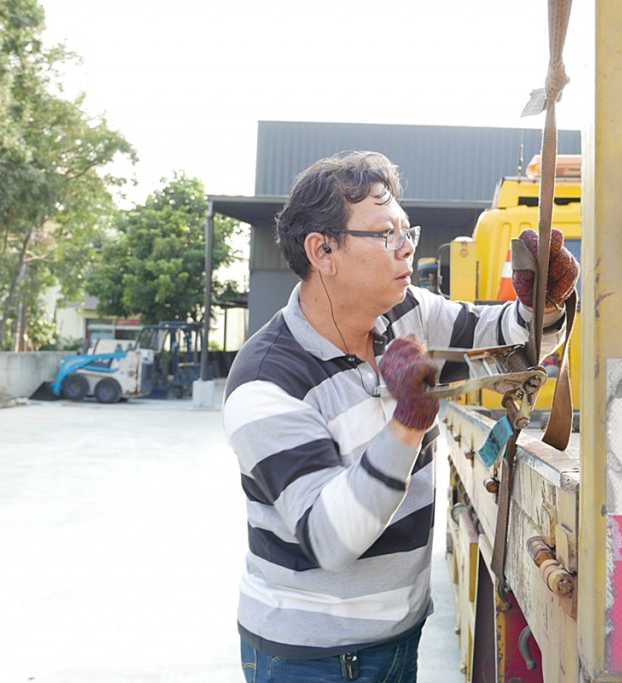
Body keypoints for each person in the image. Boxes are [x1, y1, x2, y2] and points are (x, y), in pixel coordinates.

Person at [223, 150, 579, 682]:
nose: (407, 246)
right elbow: (331, 539)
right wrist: (408, 422)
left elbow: (510, 347)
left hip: (398, 636)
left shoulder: (406, 312)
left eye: (405, 230)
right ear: (323, 250)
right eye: (385, 233)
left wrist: (542, 305)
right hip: (310, 657)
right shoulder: (266, 381)